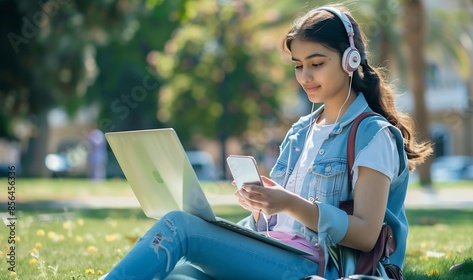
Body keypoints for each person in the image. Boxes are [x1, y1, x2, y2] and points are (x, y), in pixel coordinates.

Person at [101, 4, 432, 280]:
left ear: (351, 62)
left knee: (180, 227)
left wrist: (288, 203)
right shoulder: (301, 131)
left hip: (317, 268)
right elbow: (282, 221)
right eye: (299, 66)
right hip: (276, 252)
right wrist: (263, 207)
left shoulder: (373, 135)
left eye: (316, 64)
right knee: (179, 274)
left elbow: (365, 235)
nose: (305, 76)